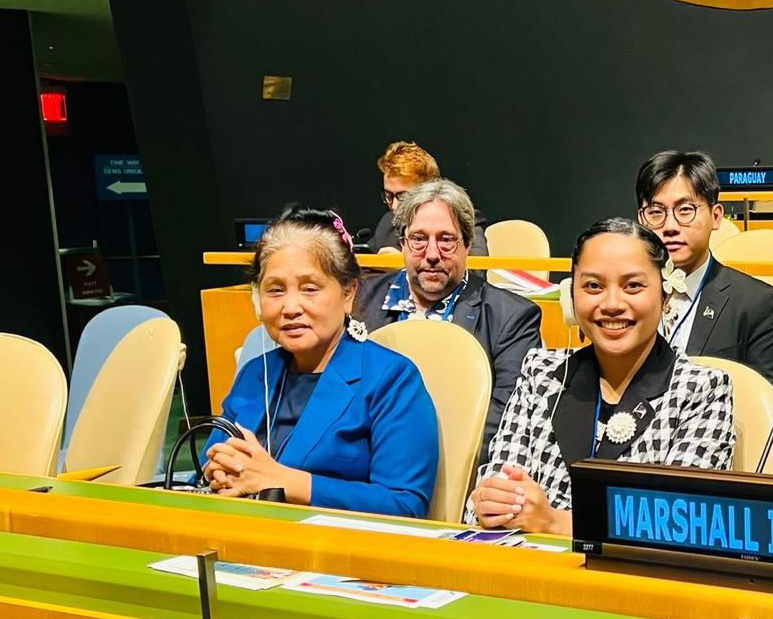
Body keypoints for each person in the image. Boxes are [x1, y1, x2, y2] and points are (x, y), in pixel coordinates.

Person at [467, 218, 735, 535]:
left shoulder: (703, 390)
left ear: (665, 297)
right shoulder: (541, 373)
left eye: (633, 286)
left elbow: (680, 523)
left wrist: (554, 522)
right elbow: (495, 489)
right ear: (571, 298)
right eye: (593, 286)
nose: (611, 304)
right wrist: (491, 503)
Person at [205, 207, 439, 517]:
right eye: (275, 290)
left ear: (348, 293)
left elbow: (405, 506)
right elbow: (215, 465)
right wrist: (217, 472)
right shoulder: (254, 374)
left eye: (309, 289)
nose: (290, 307)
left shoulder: (392, 379)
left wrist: (284, 482)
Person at [356, 179, 541, 456]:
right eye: (419, 239)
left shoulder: (512, 319)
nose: (431, 254)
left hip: (457, 470)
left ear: (468, 244)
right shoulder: (358, 303)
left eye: (446, 240)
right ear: (402, 243)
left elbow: (506, 425)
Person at [635, 150, 773, 382]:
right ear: (641, 220)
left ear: (716, 216)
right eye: (656, 212)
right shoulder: (624, 295)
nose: (669, 226)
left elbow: (765, 403)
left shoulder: (756, 303)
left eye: (685, 210)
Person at [369, 141, 440, 252]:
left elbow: (474, 268)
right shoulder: (387, 224)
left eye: (404, 197)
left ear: (430, 191)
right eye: (389, 196)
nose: (394, 206)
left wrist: (404, 264)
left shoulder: (457, 224)